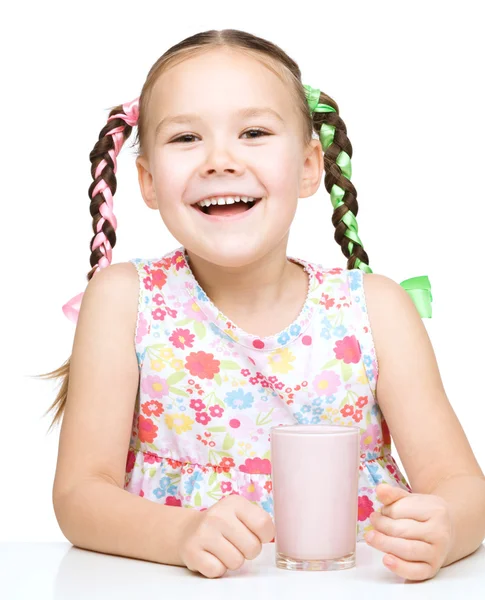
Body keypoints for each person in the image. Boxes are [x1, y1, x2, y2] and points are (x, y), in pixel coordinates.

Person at [37, 29, 485, 581]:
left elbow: (463, 488)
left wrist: (445, 527)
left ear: (308, 167)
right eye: (185, 138)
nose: (220, 160)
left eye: (253, 132)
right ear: (148, 181)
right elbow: (79, 498)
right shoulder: (124, 301)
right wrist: (180, 534)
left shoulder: (375, 309)